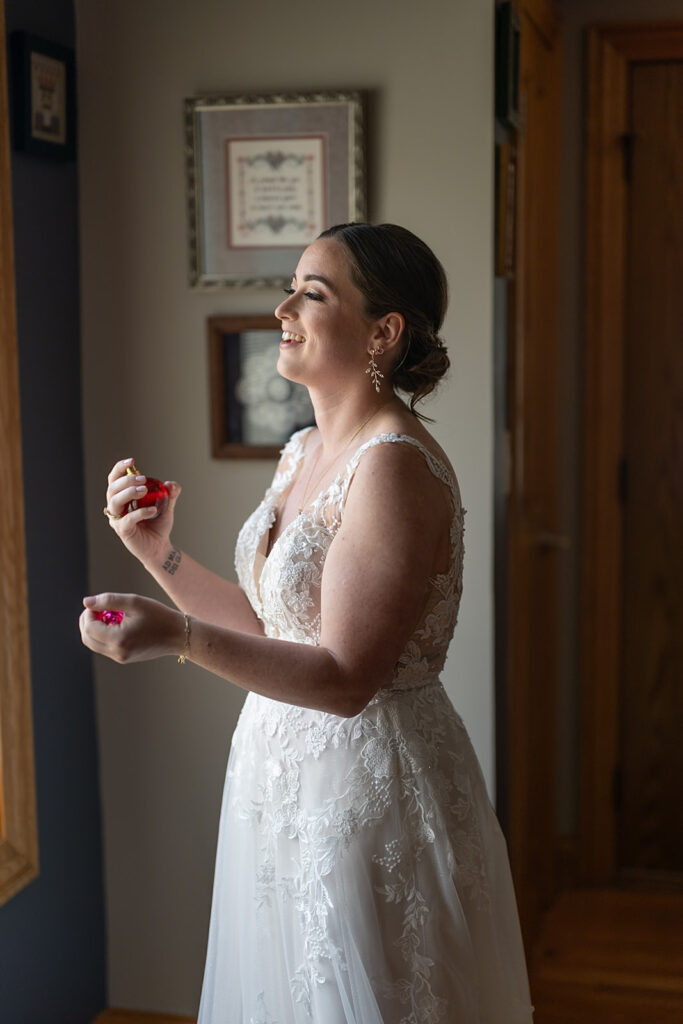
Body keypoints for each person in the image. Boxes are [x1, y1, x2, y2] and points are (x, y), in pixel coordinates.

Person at [80, 223, 534, 1023]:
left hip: (367, 789)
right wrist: (158, 556)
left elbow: (346, 679)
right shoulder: (302, 450)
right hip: (277, 775)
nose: (283, 306)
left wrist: (175, 639)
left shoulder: (393, 464)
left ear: (383, 332)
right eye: (291, 285)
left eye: (312, 293)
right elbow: (273, 627)